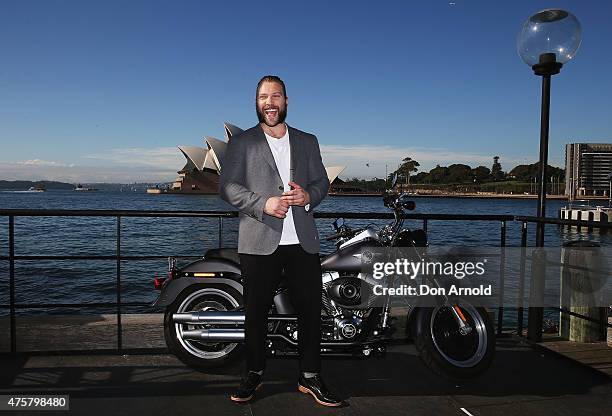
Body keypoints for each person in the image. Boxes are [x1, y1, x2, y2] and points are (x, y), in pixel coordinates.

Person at [219, 75, 342, 407]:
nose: (269, 102)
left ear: (286, 102)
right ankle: (254, 374)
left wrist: (308, 196)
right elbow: (227, 187)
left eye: (276, 96)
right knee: (256, 312)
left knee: (310, 312)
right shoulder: (242, 143)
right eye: (263, 97)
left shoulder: (307, 140)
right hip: (259, 242)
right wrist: (263, 204)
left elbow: (322, 183)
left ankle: (311, 377)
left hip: (302, 242)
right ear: (256, 103)